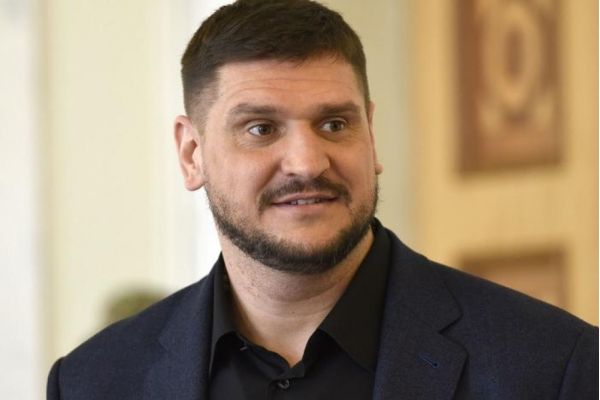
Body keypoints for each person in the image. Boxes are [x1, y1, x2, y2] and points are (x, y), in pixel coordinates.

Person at [47, 0, 598, 399]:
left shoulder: (553, 367)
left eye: (334, 123)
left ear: (371, 136)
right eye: (261, 129)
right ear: (192, 154)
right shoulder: (94, 382)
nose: (308, 163)